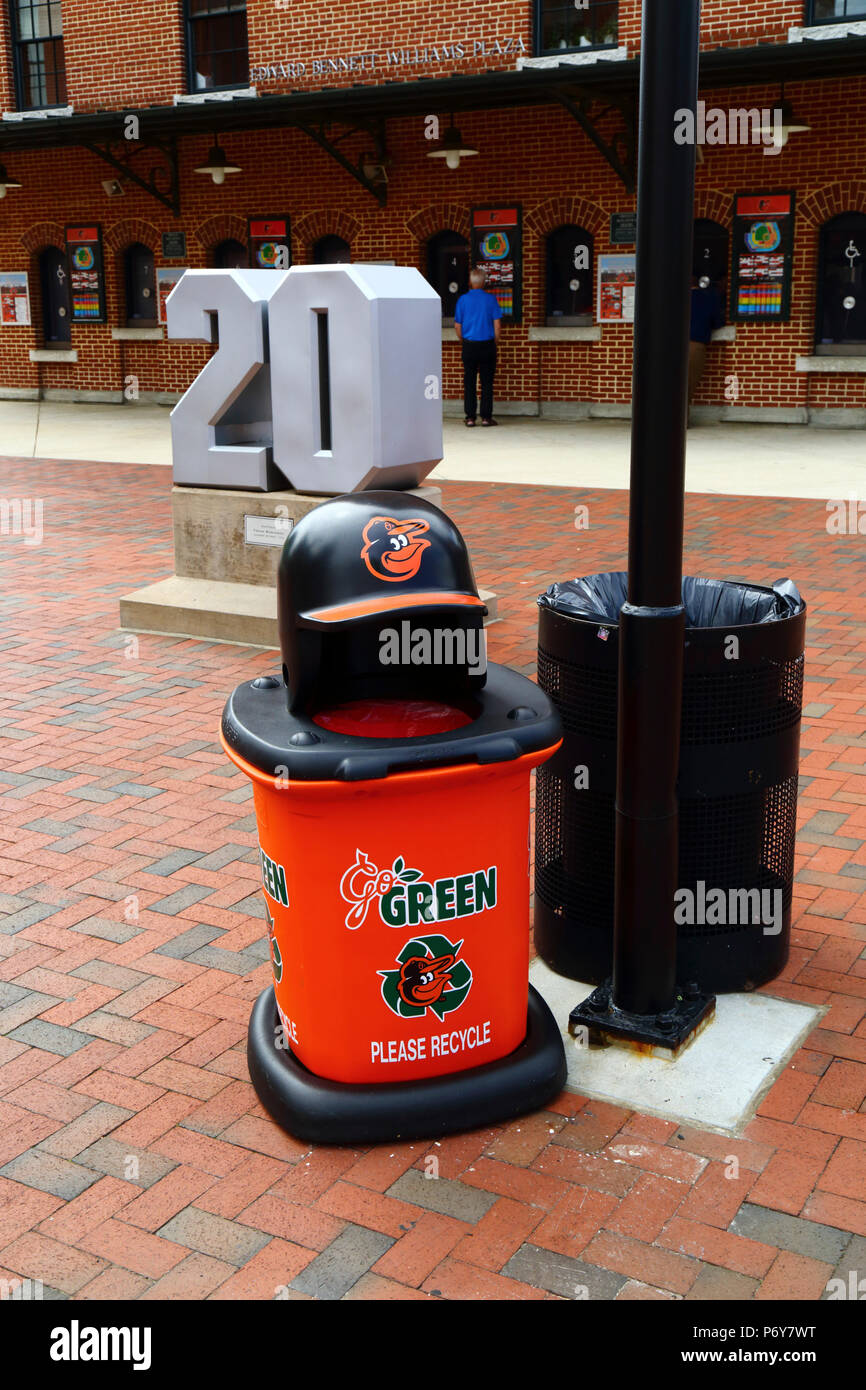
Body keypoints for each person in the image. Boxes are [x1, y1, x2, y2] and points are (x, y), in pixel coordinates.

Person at [454, 268, 502, 427]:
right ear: (484, 282)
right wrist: (494, 341)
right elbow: (497, 325)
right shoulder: (491, 300)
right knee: (487, 382)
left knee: (469, 382)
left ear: (470, 282)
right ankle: (486, 417)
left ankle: (470, 417)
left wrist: (463, 341)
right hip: (487, 344)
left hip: (469, 345)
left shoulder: (462, 300)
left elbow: (457, 326)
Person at [688, 273, 724, 416]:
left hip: (669, 345)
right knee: (688, 384)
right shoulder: (709, 298)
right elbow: (718, 322)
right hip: (695, 344)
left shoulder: (671, 297)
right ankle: (681, 420)